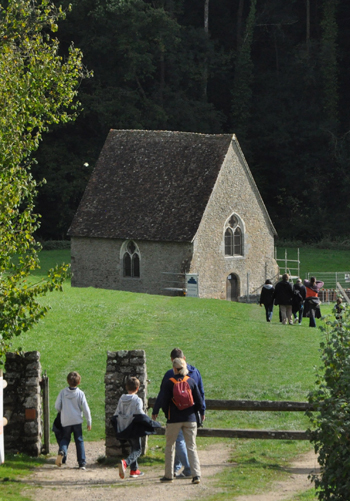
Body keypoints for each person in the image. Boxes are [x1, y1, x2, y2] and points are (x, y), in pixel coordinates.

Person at [152, 348, 205, 479]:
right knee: (192, 447)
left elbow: (164, 400)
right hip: (190, 418)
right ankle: (196, 475)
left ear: (174, 368)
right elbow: (199, 399)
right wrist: (198, 412)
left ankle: (169, 475)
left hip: (174, 418)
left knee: (170, 446)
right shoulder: (191, 381)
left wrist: (166, 413)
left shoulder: (170, 381)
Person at [55, 371, 91, 469]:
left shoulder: (63, 392)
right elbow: (86, 408)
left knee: (65, 438)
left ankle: (62, 451)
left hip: (66, 420)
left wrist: (62, 411)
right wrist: (89, 421)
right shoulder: (80, 393)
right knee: (79, 440)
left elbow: (57, 406)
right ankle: (82, 463)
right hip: (77, 420)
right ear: (79, 382)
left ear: (67, 381)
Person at [114, 377, 145, 479]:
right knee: (138, 449)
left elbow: (117, 412)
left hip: (124, 426)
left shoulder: (121, 399)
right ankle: (125, 463)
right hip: (133, 427)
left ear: (126, 387)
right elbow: (140, 413)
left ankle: (134, 470)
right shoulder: (137, 400)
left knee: (133, 447)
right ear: (137, 388)